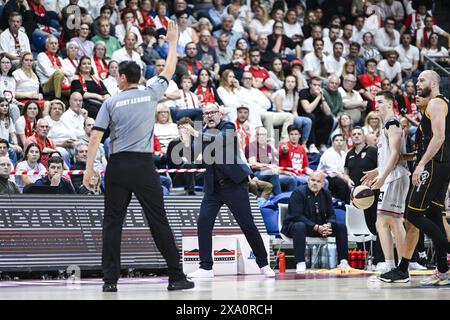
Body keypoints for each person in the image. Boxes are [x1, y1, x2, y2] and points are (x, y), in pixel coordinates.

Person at [82, 21, 194, 292]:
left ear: (121, 78)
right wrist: (171, 42)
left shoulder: (110, 102)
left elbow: (95, 136)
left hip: (118, 166)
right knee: (158, 220)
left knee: (112, 224)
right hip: (144, 166)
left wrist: (89, 170)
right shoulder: (150, 91)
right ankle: (176, 277)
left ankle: (110, 282)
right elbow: (169, 68)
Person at [181, 102, 276, 278]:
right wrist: (187, 140)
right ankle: (206, 268)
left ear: (220, 113)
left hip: (234, 185)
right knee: (203, 223)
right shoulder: (203, 132)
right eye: (205, 114)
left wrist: (195, 133)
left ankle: (263, 264)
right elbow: (192, 157)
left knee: (247, 225)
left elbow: (219, 139)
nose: (209, 116)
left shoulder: (228, 126)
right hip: (213, 188)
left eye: (212, 112)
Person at [378, 70, 450, 285]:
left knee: (413, 215)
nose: (417, 84)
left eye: (421, 80)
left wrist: (420, 165)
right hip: (440, 165)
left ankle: (441, 262)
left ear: (434, 83)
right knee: (435, 216)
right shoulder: (435, 106)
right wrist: (408, 157)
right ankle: (441, 270)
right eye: (416, 80)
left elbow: (439, 138)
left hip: (434, 165)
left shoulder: (437, 104)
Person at [361, 91, 410, 274]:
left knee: (387, 221)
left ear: (390, 104)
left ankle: (399, 264)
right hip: (392, 175)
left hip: (395, 177)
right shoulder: (386, 126)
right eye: (375, 102)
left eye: (380, 102)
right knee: (389, 222)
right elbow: (390, 156)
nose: (376, 106)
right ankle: (396, 264)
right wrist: (377, 171)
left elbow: (396, 154)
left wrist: (382, 177)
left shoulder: (393, 123)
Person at [282, 171, 350, 273]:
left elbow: (331, 214)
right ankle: (300, 263)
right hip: (296, 227)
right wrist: (316, 227)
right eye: (313, 180)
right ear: (308, 180)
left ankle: (343, 262)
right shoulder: (298, 192)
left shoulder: (326, 193)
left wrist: (328, 225)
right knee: (299, 226)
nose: (315, 183)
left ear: (322, 184)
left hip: (319, 228)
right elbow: (297, 216)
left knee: (341, 227)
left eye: (318, 181)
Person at [318, 133, 351, 202]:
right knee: (342, 184)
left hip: (340, 176)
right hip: (326, 177)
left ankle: (349, 205)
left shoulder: (344, 154)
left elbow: (345, 169)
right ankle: (341, 204)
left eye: (341, 140)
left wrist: (348, 178)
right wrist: (347, 180)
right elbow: (334, 173)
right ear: (332, 143)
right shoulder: (328, 153)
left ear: (344, 142)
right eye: (336, 140)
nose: (339, 142)